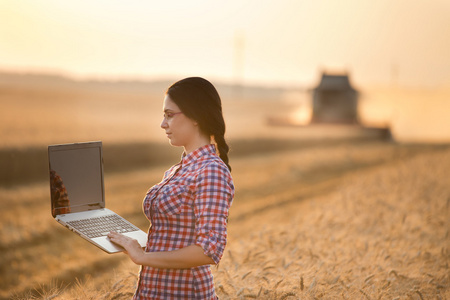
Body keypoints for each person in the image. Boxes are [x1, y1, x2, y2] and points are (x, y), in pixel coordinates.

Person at [108, 77, 235, 299]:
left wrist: (142, 257)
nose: (162, 124)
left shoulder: (211, 170)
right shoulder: (178, 169)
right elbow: (174, 235)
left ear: (195, 116)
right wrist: (132, 243)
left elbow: (209, 249)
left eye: (169, 115)